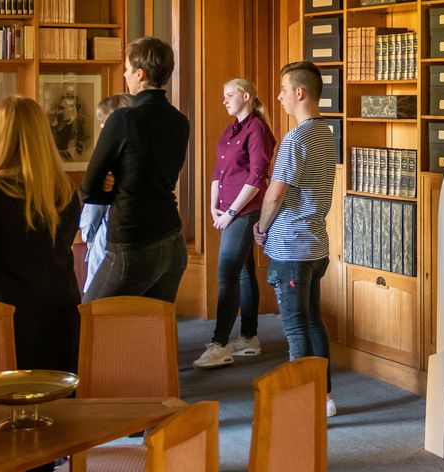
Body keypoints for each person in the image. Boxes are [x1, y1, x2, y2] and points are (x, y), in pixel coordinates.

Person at [0, 96, 84, 374]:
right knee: (56, 402)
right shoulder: (65, 190)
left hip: (2, 316)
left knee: (2, 405)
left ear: (1, 139)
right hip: (60, 309)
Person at [255, 61, 339, 416]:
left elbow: (275, 194)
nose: (279, 97)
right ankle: (324, 396)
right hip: (316, 243)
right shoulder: (326, 133)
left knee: (294, 327)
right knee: (313, 320)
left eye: (283, 90)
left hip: (291, 244)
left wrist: (260, 226)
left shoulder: (296, 138)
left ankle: (303, 400)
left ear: (300, 93)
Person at [81, 38, 190, 302]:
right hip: (173, 241)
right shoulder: (179, 121)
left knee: (89, 319)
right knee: (154, 329)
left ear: (140, 74)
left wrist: (113, 188)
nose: (125, 74)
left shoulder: (123, 119)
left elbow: (88, 189)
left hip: (133, 242)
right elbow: (157, 175)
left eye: (128, 69)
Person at [194, 77, 274, 370]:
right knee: (242, 272)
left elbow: (255, 177)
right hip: (227, 210)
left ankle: (220, 344)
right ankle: (250, 338)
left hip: (245, 210)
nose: (225, 100)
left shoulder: (257, 129)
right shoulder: (230, 130)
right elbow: (218, 171)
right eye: (223, 95)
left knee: (227, 273)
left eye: (230, 94)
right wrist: (214, 206)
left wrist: (230, 212)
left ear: (247, 95)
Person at [78, 94, 132, 294]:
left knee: (97, 294)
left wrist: (87, 232)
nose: (101, 127)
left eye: (103, 122)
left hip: (108, 230)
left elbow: (94, 206)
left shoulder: (108, 154)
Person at [47, 89, 88, 161]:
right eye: (60, 108)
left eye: (62, 108)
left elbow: (75, 154)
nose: (59, 112)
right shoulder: (58, 125)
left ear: (72, 108)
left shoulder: (82, 128)